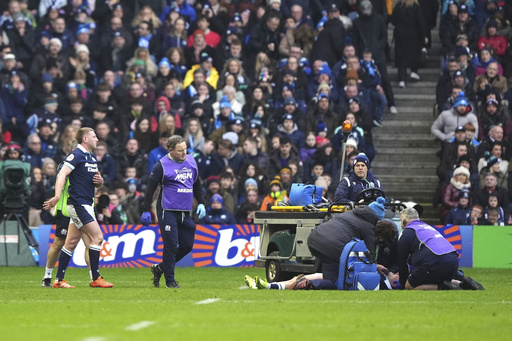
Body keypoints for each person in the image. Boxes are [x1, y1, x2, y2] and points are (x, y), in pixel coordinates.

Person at [42, 127, 113, 288]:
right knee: (97, 238)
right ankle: (95, 278)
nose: (97, 139)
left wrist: (99, 181)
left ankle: (59, 279)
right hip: (78, 204)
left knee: (71, 243)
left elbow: (96, 182)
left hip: (86, 203)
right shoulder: (76, 155)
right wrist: (57, 196)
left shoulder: (91, 157)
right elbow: (61, 174)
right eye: (94, 136)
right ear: (85, 139)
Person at [140, 135, 206, 289]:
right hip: (167, 210)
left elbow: (197, 184)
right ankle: (170, 281)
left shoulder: (191, 161)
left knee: (187, 245)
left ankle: (160, 268)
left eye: (185, 149)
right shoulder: (161, 166)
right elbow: (150, 189)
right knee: (170, 246)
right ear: (170, 150)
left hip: (185, 211)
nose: (184, 153)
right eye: (180, 151)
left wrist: (202, 203)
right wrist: (146, 210)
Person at [398, 207, 465, 290]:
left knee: (409, 286)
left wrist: (402, 282)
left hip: (435, 263)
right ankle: (462, 284)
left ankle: (443, 288)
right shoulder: (428, 227)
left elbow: (402, 261)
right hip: (453, 262)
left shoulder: (406, 232)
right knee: (434, 277)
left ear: (404, 220)